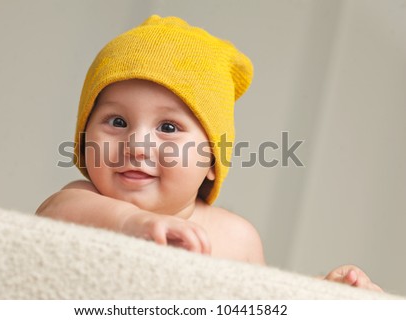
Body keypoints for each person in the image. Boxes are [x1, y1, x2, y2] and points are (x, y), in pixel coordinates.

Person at [37, 15, 381, 292]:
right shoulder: (81, 202)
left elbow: (265, 301)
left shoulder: (235, 237)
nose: (137, 145)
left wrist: (324, 294)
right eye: (116, 121)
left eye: (168, 128)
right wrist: (131, 223)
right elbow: (53, 214)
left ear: (213, 161)